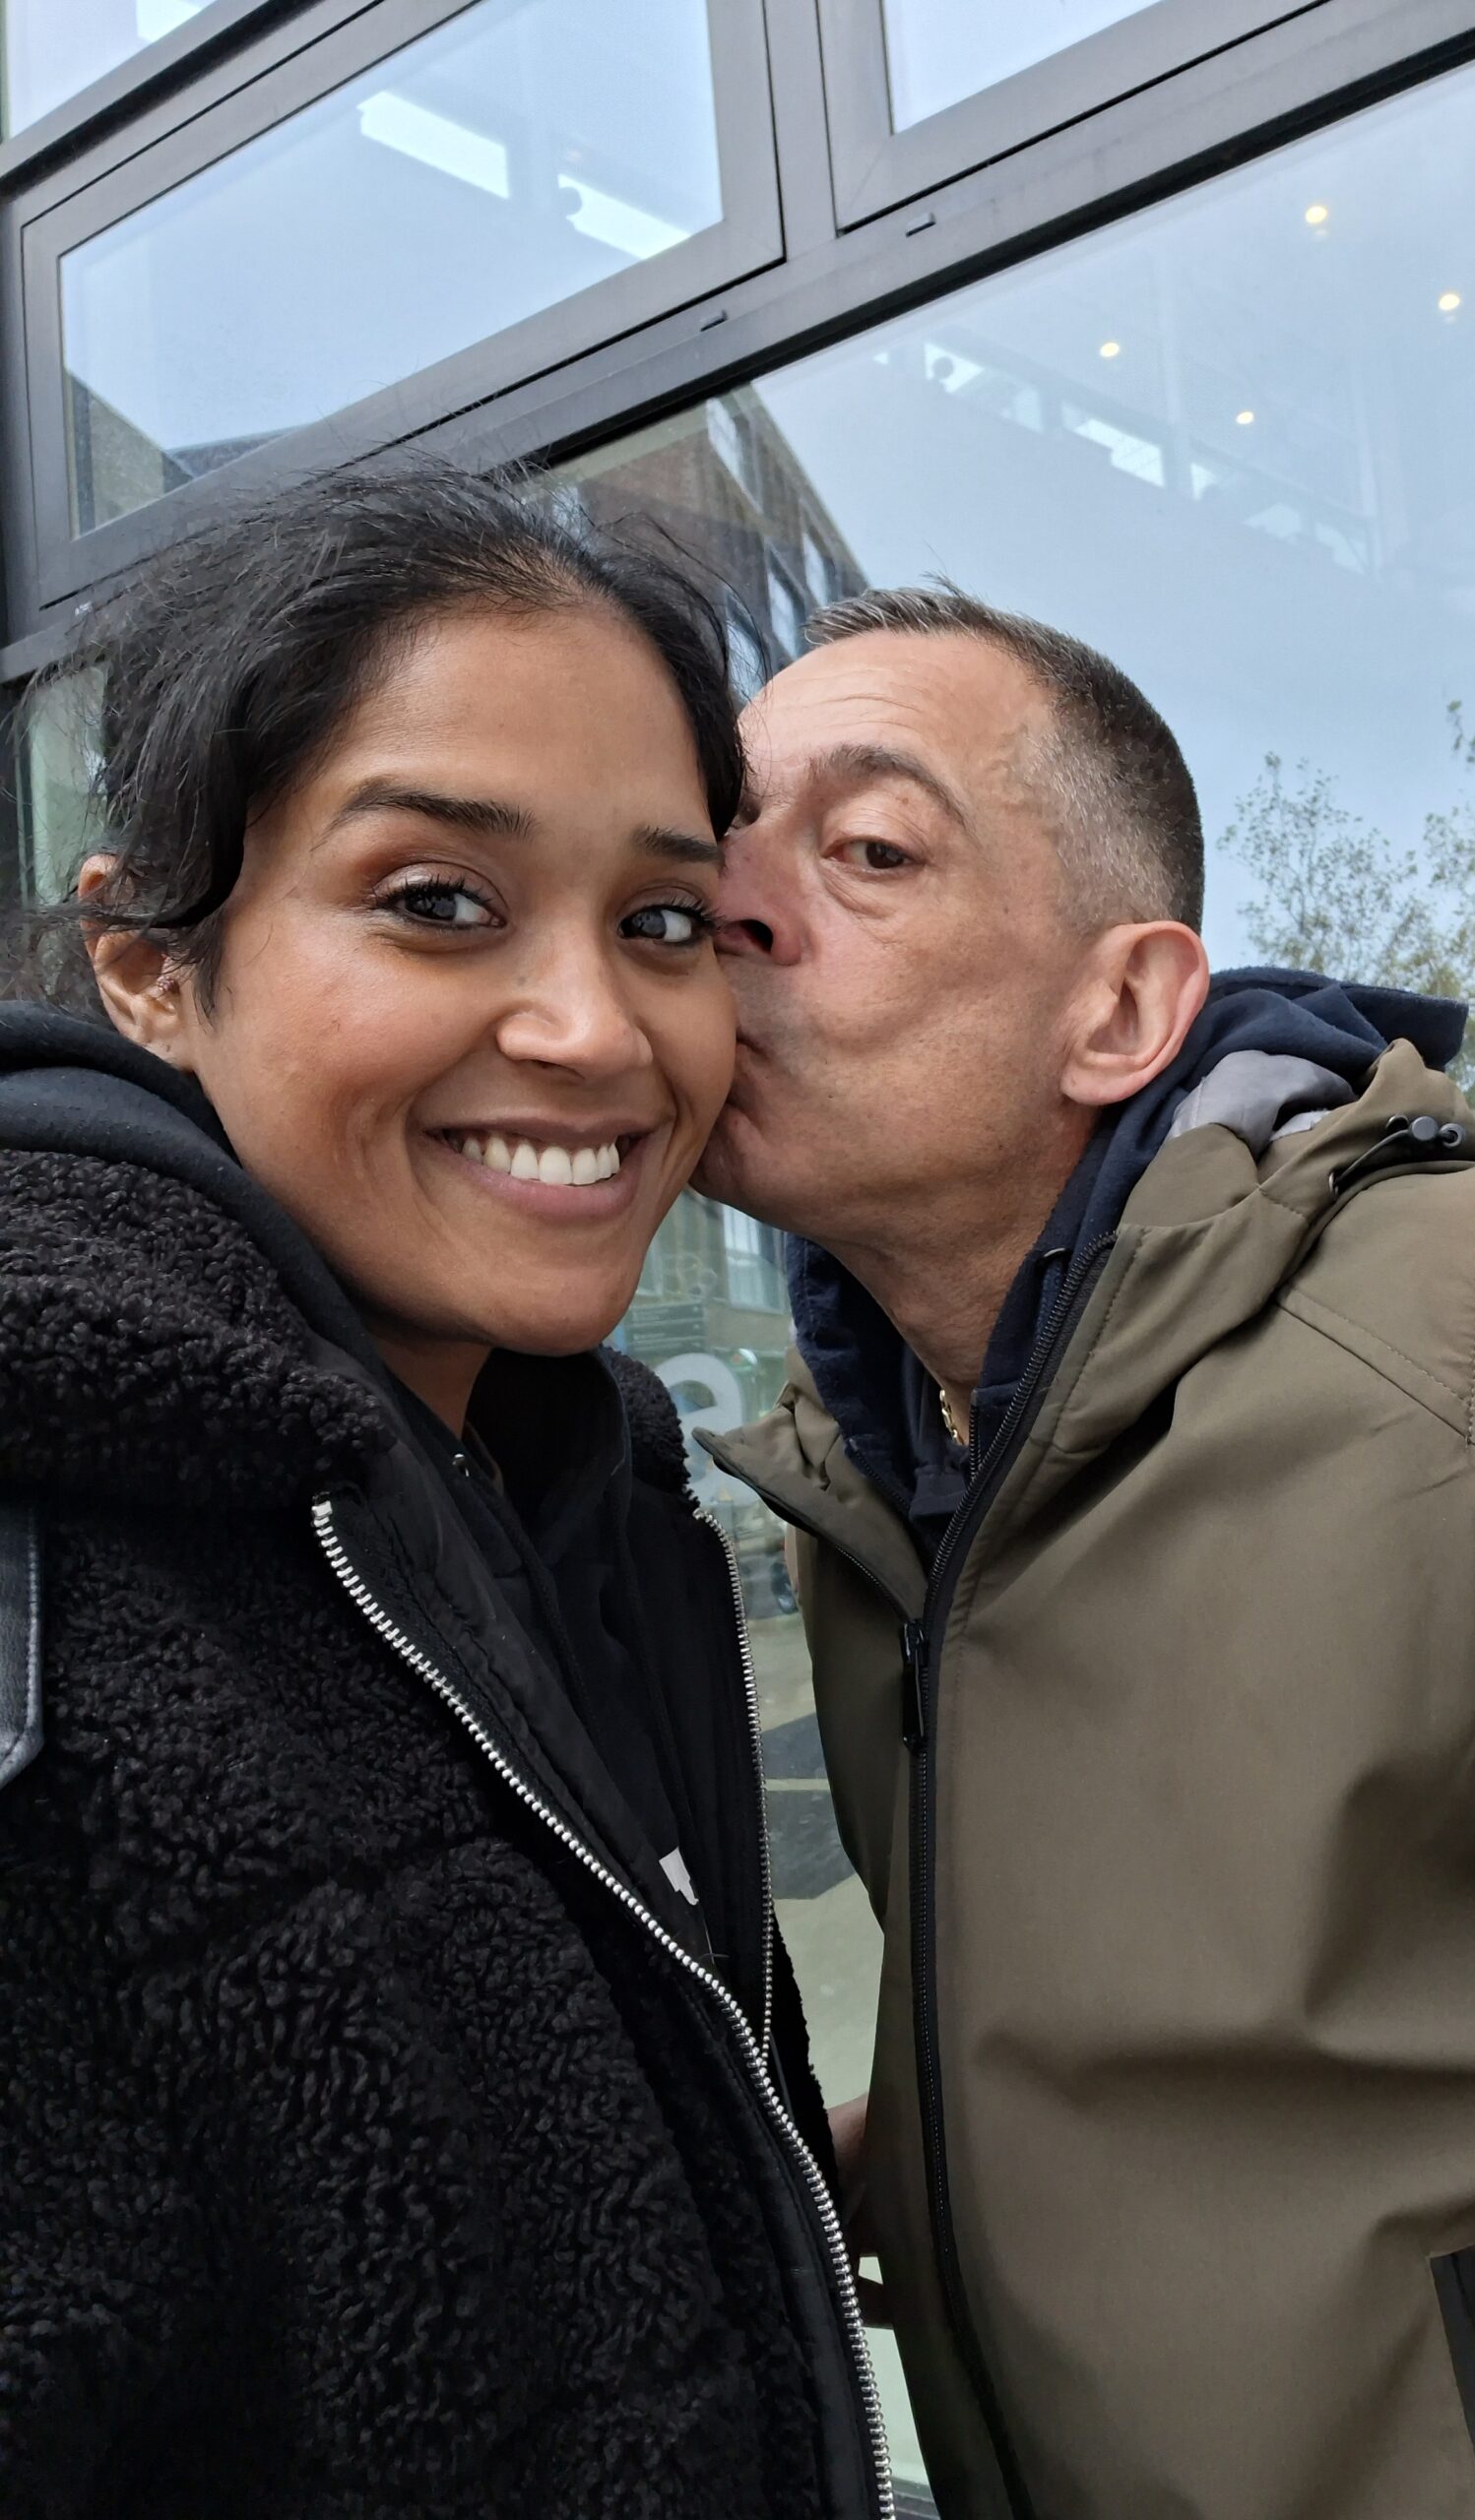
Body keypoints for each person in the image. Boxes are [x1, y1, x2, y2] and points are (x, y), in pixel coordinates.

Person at [696, 585, 1475, 2520]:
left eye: (872, 848)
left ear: (1122, 1008)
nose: (729, 901)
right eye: (720, 838)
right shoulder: (866, 1486)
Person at [0, 466, 887, 2520]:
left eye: (663, 923)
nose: (593, 1030)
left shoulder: (587, 1500)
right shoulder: (54, 1567)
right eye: (436, 900)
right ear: (150, 968)